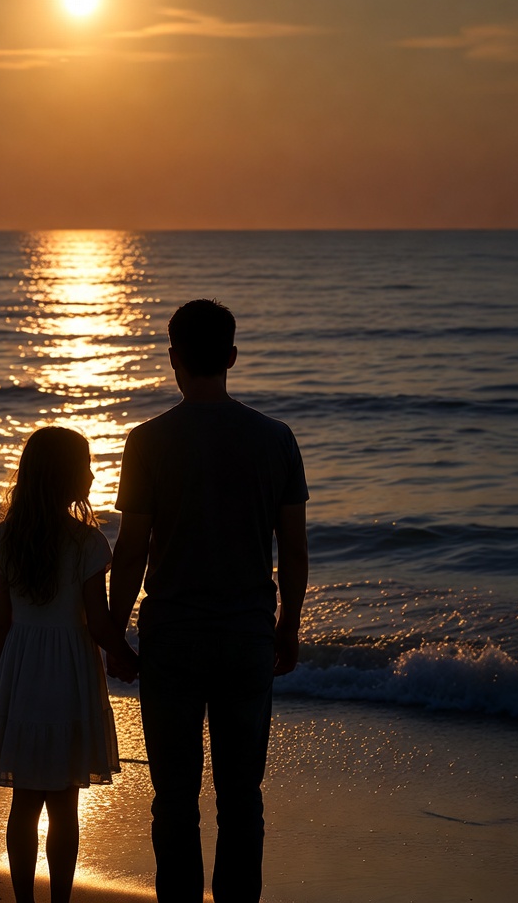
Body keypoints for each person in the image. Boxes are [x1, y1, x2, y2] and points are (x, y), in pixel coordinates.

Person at [107, 299, 309, 903]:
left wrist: (114, 632)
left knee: (173, 798)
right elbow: (293, 552)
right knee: (241, 796)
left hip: (171, 635)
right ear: (231, 357)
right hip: (247, 633)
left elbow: (132, 549)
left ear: (174, 359)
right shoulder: (276, 439)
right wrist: (288, 626)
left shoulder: (147, 441)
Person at [0, 426, 139, 903]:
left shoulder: (6, 538)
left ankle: (26, 900)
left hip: (21, 673)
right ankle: (59, 901)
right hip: (70, 675)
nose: (91, 473)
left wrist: (4, 681)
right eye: (84, 465)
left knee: (23, 803)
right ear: (65, 476)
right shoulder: (86, 543)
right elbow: (100, 625)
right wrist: (129, 658)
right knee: (65, 804)